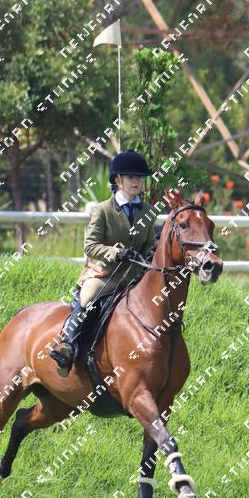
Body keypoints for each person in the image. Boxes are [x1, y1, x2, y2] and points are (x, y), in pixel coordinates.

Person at [50, 149, 158, 376]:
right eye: (131, 177)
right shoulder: (102, 210)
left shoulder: (148, 212)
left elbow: (148, 244)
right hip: (104, 274)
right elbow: (90, 246)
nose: (137, 182)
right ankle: (67, 346)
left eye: (140, 178)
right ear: (118, 180)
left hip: (133, 277)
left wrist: (150, 253)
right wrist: (116, 253)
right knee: (87, 298)